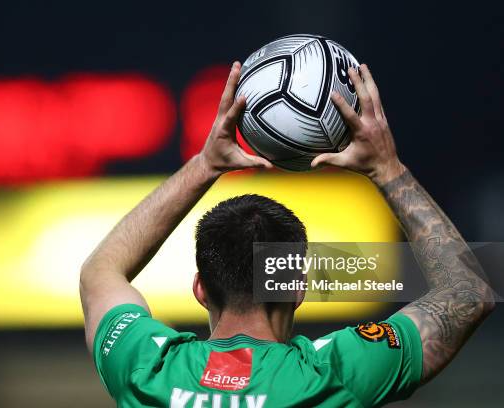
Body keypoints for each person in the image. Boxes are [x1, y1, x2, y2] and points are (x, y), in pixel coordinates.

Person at [79, 62, 495, 407]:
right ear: (296, 286)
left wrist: (205, 164)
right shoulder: (332, 374)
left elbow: (101, 271)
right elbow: (467, 294)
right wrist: (386, 168)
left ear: (201, 288)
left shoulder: (148, 368)